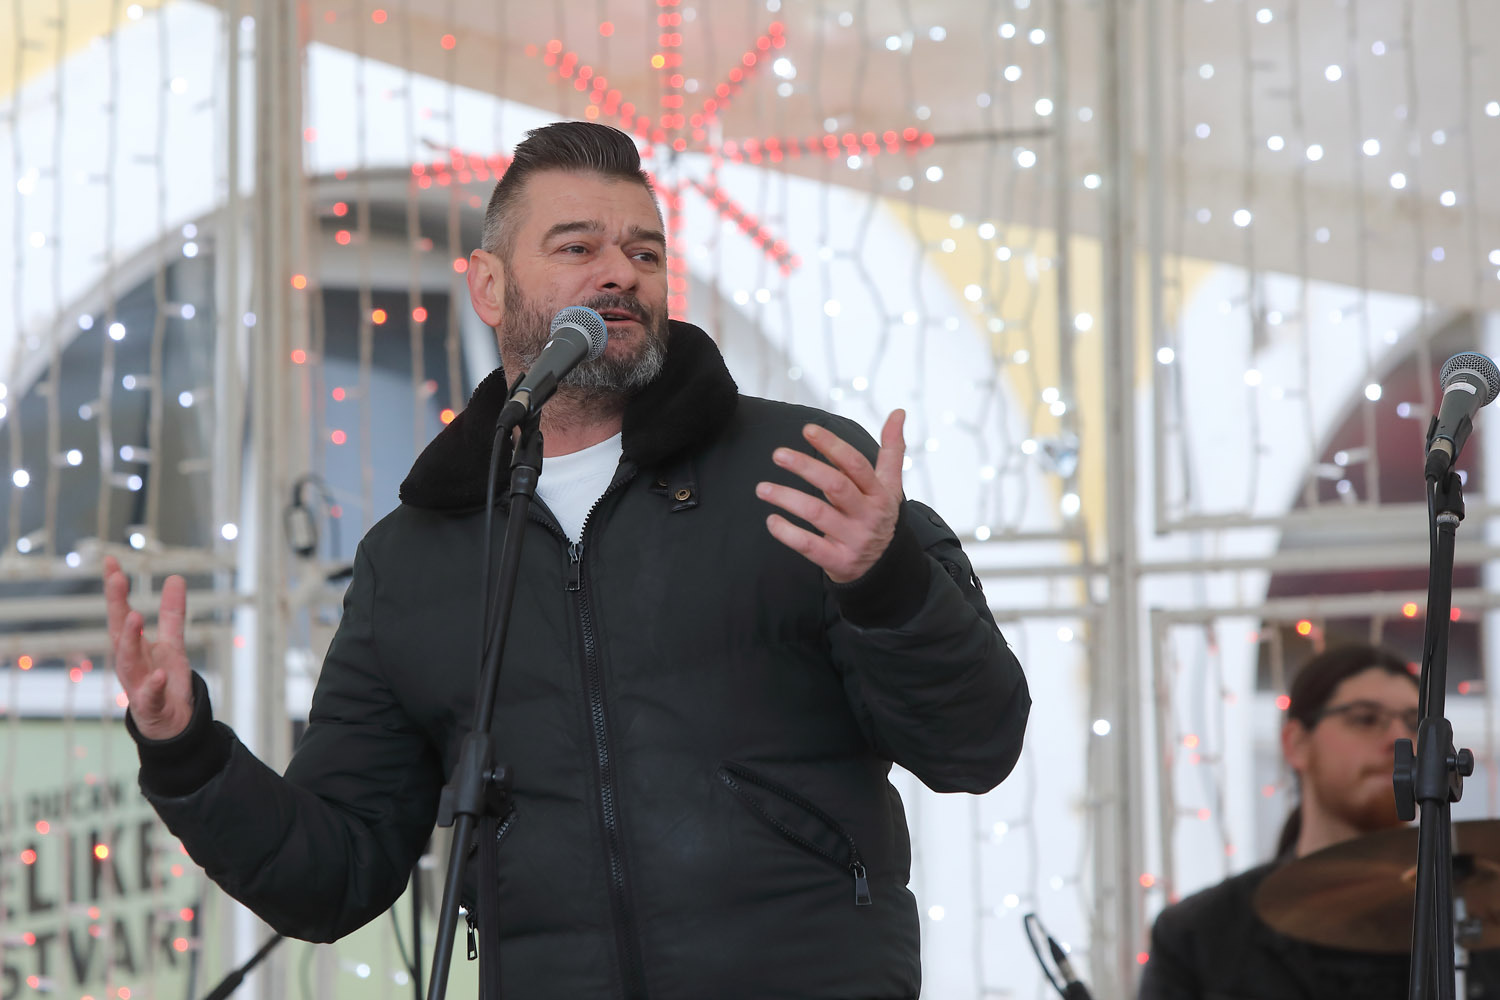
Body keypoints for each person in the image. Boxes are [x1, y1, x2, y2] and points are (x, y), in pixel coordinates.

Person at [103, 120, 1030, 999]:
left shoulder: (801, 473)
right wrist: (187, 752)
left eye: (645, 254)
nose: (619, 273)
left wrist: (887, 582)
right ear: (489, 287)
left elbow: (974, 746)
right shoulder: (413, 560)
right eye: (578, 247)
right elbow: (334, 873)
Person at [1138, 643, 1495, 999]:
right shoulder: (1200, 935)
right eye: (1365, 719)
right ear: (1296, 743)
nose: (1397, 738)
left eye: (1412, 722)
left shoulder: (1472, 912)